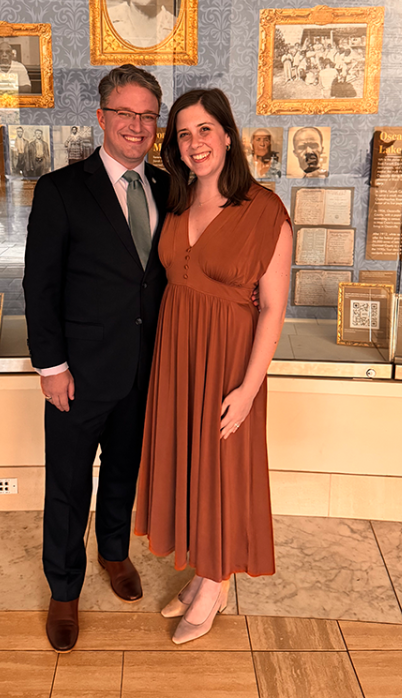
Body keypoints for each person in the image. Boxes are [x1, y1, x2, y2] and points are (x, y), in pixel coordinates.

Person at [135, 88, 292, 645]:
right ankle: (202, 568)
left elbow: (273, 306)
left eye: (205, 130)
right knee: (190, 464)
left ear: (228, 135)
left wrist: (249, 389)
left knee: (223, 469)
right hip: (178, 357)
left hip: (230, 363)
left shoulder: (265, 209)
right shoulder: (176, 203)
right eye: (183, 133)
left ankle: (216, 583)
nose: (195, 143)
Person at [23, 64, 170, 653]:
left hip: (145, 368)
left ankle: (113, 551)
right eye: (125, 114)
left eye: (147, 116)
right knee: (66, 484)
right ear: (103, 117)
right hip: (78, 375)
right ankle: (63, 588)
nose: (136, 126)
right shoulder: (60, 189)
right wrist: (50, 367)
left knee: (123, 471)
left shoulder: (167, 187)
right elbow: (40, 285)